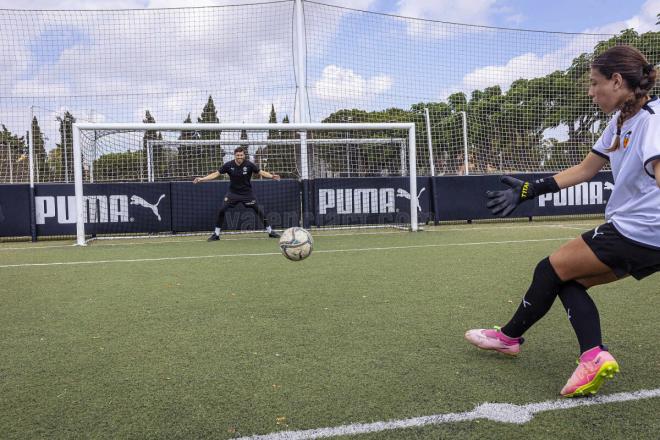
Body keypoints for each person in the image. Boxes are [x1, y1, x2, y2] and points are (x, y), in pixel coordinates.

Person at [465, 45, 660, 397]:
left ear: (616, 81)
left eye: (594, 82)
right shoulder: (620, 121)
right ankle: (592, 356)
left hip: (637, 230)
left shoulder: (653, 119)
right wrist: (530, 190)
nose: (590, 92)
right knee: (569, 281)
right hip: (648, 238)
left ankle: (508, 337)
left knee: (548, 269)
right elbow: (586, 169)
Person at [194, 146, 281, 240]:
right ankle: (216, 234)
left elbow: (261, 172)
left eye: (241, 155)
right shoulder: (228, 165)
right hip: (233, 194)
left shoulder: (249, 165)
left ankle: (270, 232)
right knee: (222, 210)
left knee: (258, 210)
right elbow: (216, 174)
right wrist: (202, 179)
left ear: (244, 155)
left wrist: (272, 176)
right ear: (234, 155)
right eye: (237, 155)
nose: (239, 157)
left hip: (247, 194)